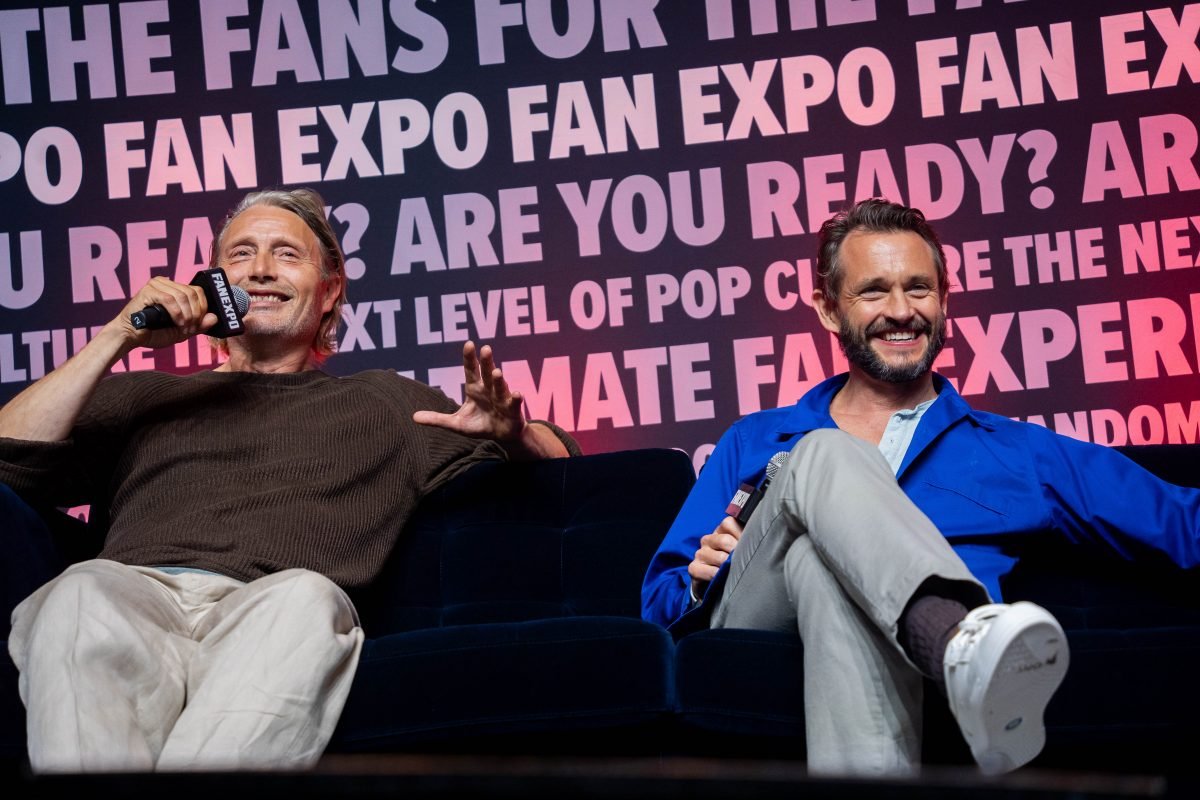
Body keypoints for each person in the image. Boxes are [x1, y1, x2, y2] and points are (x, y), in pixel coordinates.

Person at [0, 187, 578, 773]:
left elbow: (569, 465)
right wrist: (117, 335)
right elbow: (7, 455)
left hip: (271, 615)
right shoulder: (146, 396)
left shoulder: (385, 403)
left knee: (307, 597)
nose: (261, 270)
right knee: (80, 593)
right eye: (241, 254)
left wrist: (512, 433)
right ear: (210, 281)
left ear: (329, 293)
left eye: (287, 254)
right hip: (136, 597)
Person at [641, 198, 1200, 777]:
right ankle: (960, 640)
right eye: (874, 291)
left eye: (919, 288)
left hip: (856, 653)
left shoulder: (1015, 452)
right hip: (758, 624)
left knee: (819, 561)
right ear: (830, 310)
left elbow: (1184, 522)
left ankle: (946, 652)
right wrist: (698, 580)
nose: (901, 311)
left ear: (944, 300)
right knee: (821, 453)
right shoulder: (755, 439)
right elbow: (658, 606)